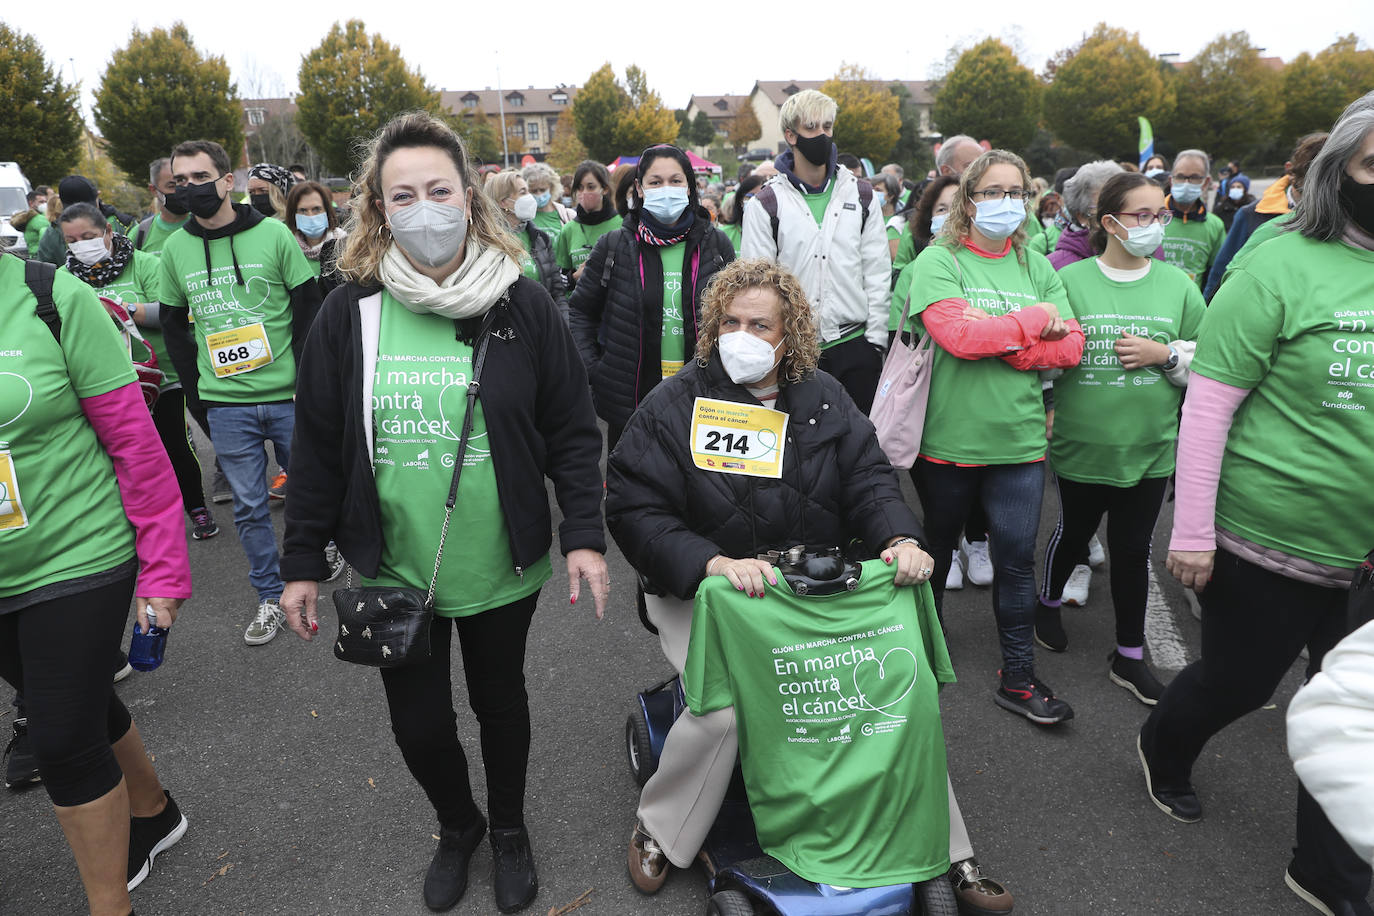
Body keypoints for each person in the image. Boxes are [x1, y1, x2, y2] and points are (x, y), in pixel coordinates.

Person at [278, 110, 609, 915]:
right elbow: (318, 443)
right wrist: (299, 563)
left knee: (501, 703)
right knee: (420, 727)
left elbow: (569, 428)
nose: (423, 209)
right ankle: (456, 826)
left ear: (468, 196)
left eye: (437, 190)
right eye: (403, 195)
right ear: (378, 209)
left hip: (501, 559)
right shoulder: (348, 313)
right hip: (395, 564)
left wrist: (585, 538)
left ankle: (508, 830)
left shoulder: (521, 305)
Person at [607, 257, 1012, 914]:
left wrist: (900, 540)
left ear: (789, 334)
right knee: (728, 708)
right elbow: (632, 507)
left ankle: (950, 851)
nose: (741, 334)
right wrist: (710, 562)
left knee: (891, 693)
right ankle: (660, 831)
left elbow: (870, 481)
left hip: (805, 583)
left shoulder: (824, 395)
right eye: (730, 322)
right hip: (709, 592)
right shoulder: (675, 404)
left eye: (759, 324)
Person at [1138, 91, 1374, 915]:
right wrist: (1192, 531)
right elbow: (1209, 404)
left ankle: (1328, 869)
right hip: (1270, 538)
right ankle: (1161, 744)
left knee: (1359, 718)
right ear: (1336, 171)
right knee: (1239, 684)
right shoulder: (1278, 260)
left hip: (1368, 559)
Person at [0, 251, 191, 916]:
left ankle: (110, 907)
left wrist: (163, 573)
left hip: (75, 552)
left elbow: (137, 445)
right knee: (70, 698)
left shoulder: (48, 297)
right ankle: (154, 811)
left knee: (58, 738)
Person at [908, 149, 1085, 725]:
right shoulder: (939, 261)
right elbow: (957, 336)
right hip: (948, 443)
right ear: (969, 199)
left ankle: (1018, 676)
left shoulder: (1036, 264)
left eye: (1016, 192)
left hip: (1019, 443)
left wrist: (1011, 345)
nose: (1005, 203)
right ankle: (921, 661)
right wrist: (1034, 323)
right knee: (933, 555)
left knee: (1014, 562)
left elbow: (1073, 346)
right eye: (992, 192)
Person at [1032, 173, 1204, 704]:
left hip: (1151, 447)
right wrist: (1046, 405)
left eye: (1161, 215)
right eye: (1142, 216)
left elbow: (1211, 360)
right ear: (1108, 223)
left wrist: (1166, 355)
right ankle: (1046, 604)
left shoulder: (1179, 285)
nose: (1155, 225)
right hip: (1082, 444)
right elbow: (1044, 356)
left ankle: (1129, 656)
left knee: (1132, 550)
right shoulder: (1072, 281)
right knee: (1076, 532)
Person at [158, 139, 323, 646]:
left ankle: (321, 554)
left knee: (311, 491)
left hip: (287, 397)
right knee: (250, 507)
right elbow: (172, 326)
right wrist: (198, 397)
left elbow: (308, 309)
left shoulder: (273, 235)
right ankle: (270, 597)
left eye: (200, 177)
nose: (190, 188)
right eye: (180, 180)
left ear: (227, 181)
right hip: (225, 403)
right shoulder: (174, 249)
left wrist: (306, 383)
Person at [57, 201, 219, 540]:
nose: (80, 245)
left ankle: (198, 509)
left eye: (88, 236)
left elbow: (170, 312)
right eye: (71, 241)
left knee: (174, 444)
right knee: (122, 456)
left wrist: (122, 309)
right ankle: (137, 523)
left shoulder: (144, 264)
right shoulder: (62, 279)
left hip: (160, 378)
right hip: (103, 383)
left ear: (109, 232)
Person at [568, 144, 736, 449]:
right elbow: (580, 312)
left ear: (689, 186)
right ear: (639, 189)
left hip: (703, 396)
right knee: (634, 487)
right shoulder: (614, 246)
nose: (666, 189)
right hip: (631, 398)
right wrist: (596, 369)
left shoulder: (716, 244)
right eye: (655, 182)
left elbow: (737, 313)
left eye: (675, 180)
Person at [741, 89, 890, 414]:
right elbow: (757, 287)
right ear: (790, 135)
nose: (822, 135)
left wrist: (875, 341)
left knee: (858, 450)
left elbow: (877, 273)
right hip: (793, 349)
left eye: (827, 126)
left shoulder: (862, 195)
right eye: (811, 127)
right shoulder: (767, 203)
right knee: (801, 456)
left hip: (855, 345)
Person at [1204, 132, 1328, 300]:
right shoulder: (1252, 214)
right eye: (1310, 173)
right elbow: (1221, 272)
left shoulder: (1343, 218)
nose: (1320, 184)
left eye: (1329, 174)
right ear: (1290, 170)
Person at [485, 169, 565, 306]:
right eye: (523, 192)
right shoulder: (489, 243)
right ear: (503, 202)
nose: (531, 197)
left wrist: (563, 323)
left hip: (544, 319)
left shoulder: (540, 238)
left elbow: (557, 292)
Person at [554, 160, 622, 299]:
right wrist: (573, 278)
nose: (584, 193)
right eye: (579, 187)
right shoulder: (568, 230)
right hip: (579, 311)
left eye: (591, 187)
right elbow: (558, 281)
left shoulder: (622, 224)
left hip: (616, 308)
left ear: (605, 189)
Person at [1159, 149, 1225, 288]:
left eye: (1194, 177)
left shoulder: (1215, 225)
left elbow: (1217, 273)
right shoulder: (1153, 218)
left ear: (1206, 182)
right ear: (1171, 180)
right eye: (1181, 177)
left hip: (1192, 305)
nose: (1186, 183)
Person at [1047, 161, 1124, 271]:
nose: (1120, 215)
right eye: (1107, 209)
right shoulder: (1055, 267)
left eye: (1123, 205)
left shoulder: (1148, 254)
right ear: (1081, 217)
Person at [285, 180, 346, 296]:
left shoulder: (344, 246)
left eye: (316, 209)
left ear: (327, 211)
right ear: (294, 215)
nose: (311, 216)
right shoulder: (288, 249)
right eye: (303, 210)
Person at [134, 159, 191, 254]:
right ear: (153, 190)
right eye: (171, 186)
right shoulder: (140, 234)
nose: (180, 190)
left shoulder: (206, 225)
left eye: (182, 182)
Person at [520, 162, 573, 243]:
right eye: (534, 191)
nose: (539, 194)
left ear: (551, 187)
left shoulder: (567, 216)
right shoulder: (521, 218)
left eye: (542, 190)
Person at [719, 173, 764, 254]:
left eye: (760, 196)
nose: (755, 201)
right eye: (750, 196)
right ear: (740, 200)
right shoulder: (722, 234)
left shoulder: (775, 232)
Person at [12, 188, 49, 256]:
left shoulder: (29, 218)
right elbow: (46, 237)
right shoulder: (37, 219)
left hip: (33, 255)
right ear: (31, 203)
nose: (45, 204)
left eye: (45, 202)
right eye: (41, 202)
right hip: (40, 256)